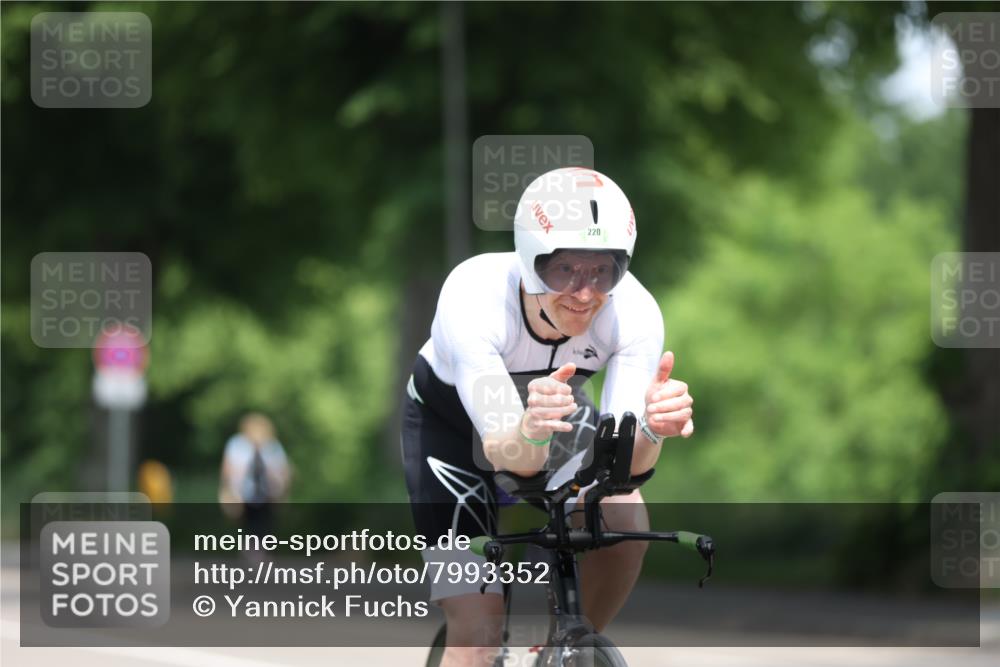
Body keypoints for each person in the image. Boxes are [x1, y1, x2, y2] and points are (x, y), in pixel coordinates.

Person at [401, 167, 695, 666]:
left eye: (603, 270)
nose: (584, 293)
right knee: (477, 634)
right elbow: (505, 453)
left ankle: (559, 652)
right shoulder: (473, 296)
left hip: (553, 414)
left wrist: (652, 428)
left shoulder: (635, 313)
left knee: (623, 518)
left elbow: (621, 469)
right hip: (453, 430)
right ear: (530, 261)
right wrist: (529, 431)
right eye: (564, 270)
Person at [219, 413, 291, 538]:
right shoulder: (237, 444)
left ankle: (259, 547)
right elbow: (228, 468)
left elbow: (282, 468)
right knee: (247, 520)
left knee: (265, 519)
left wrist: (283, 488)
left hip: (268, 490)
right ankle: (253, 548)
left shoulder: (272, 446)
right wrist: (226, 489)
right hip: (242, 490)